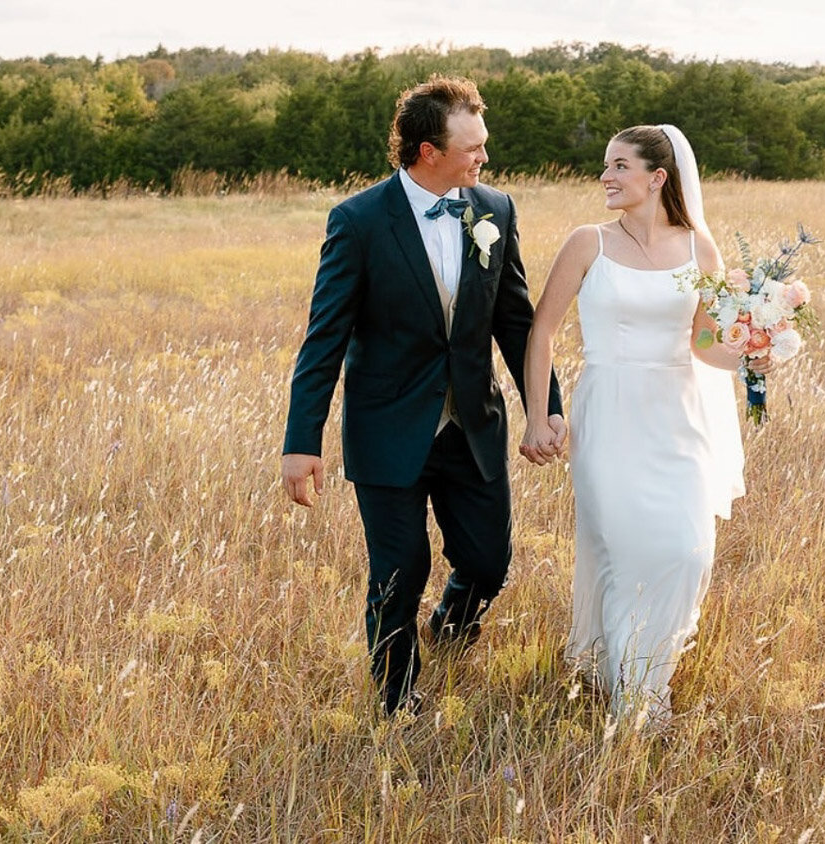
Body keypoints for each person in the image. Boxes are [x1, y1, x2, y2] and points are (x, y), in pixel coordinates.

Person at [282, 75, 566, 716]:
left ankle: (449, 629)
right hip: (387, 429)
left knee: (489, 563)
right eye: (472, 147)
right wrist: (301, 443)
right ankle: (396, 700)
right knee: (398, 573)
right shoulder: (358, 222)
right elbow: (323, 341)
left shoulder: (495, 211)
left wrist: (544, 408)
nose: (485, 157)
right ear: (428, 151)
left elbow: (516, 323)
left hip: (473, 425)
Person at [521, 123, 754, 731]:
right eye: (606, 165)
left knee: (687, 552)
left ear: (657, 177)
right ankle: (637, 701)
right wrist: (538, 413)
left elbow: (706, 345)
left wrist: (753, 352)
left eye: (619, 166)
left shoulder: (700, 249)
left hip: (679, 419)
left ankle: (642, 676)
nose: (606, 176)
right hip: (609, 415)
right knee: (624, 552)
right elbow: (541, 331)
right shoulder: (588, 243)